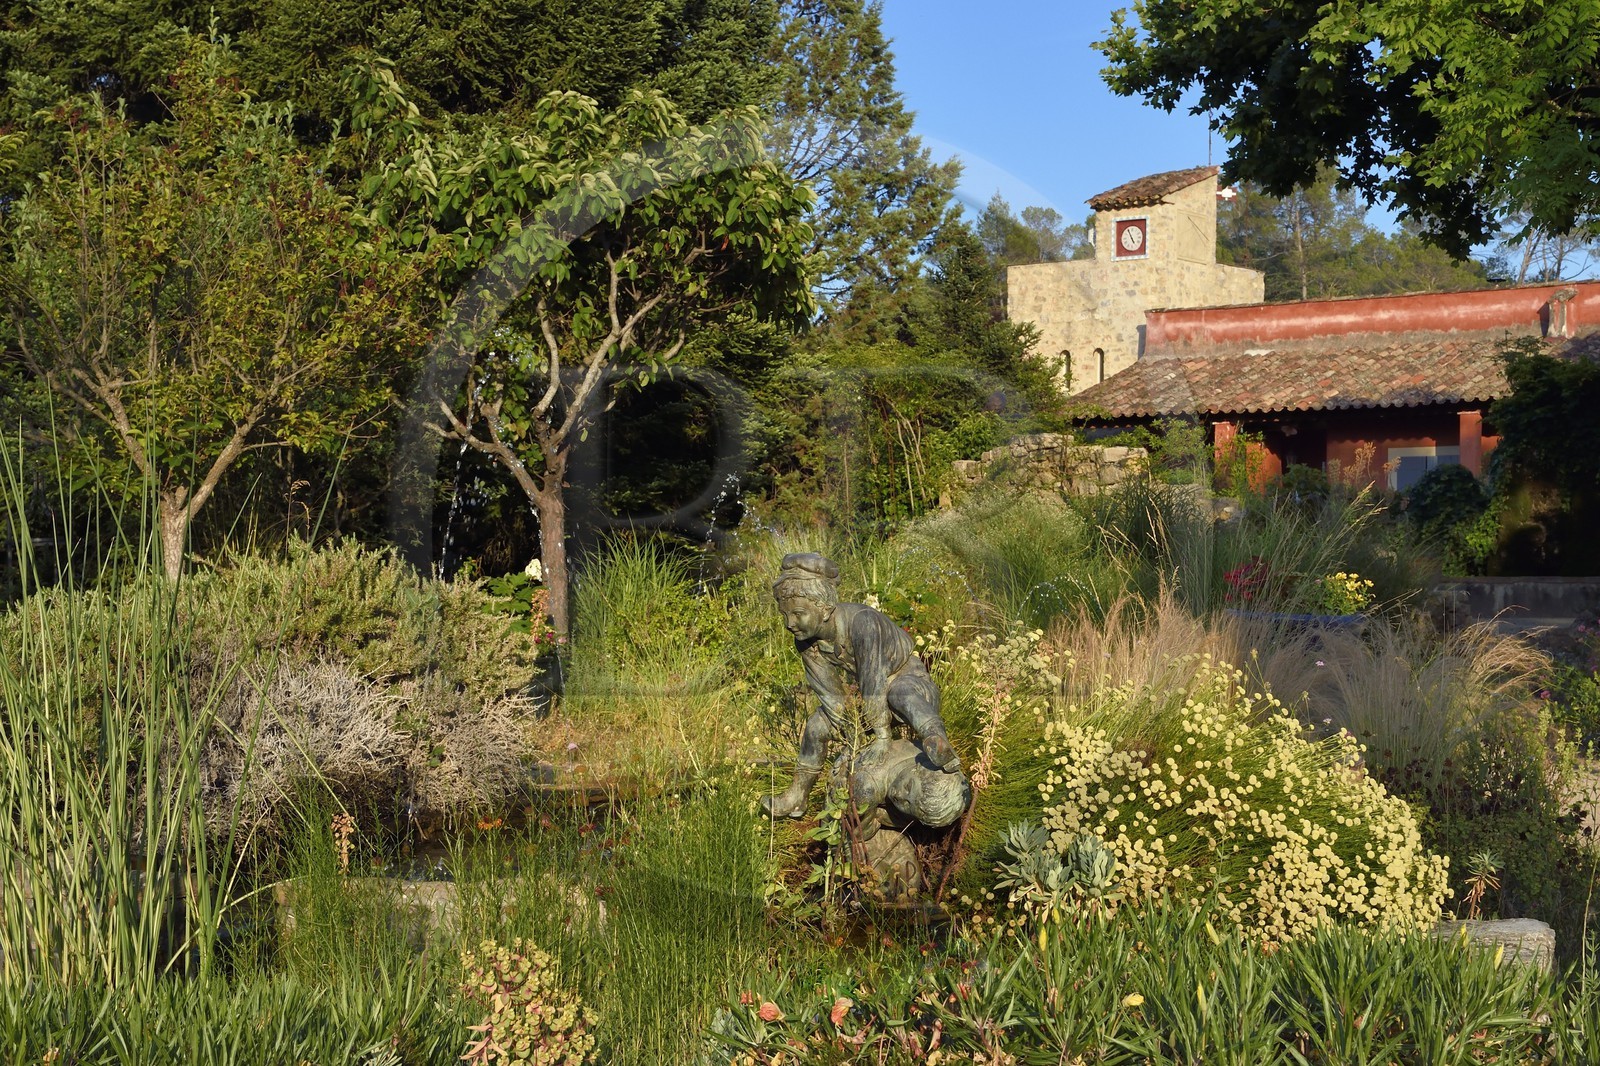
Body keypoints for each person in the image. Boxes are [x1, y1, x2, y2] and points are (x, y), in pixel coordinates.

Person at [762, 552, 961, 819]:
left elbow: (873, 679)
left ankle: (936, 740)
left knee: (901, 694)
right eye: (784, 614)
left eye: (798, 614)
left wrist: (880, 738)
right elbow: (830, 694)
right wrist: (850, 736)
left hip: (907, 681)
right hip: (871, 697)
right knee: (815, 727)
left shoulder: (863, 622)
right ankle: (798, 796)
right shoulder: (807, 643)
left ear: (824, 608)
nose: (790, 624)